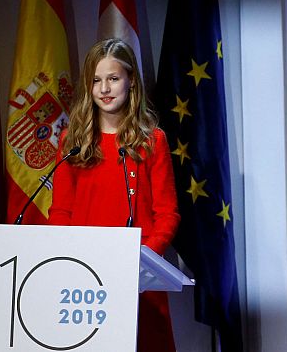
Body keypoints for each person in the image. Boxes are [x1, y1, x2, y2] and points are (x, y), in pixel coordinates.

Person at [49, 38, 180, 352]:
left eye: (113, 78)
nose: (104, 89)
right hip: (84, 277)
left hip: (138, 277)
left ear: (131, 80)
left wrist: (141, 261)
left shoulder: (152, 141)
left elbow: (167, 214)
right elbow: (61, 211)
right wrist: (67, 259)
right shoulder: (72, 142)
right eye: (96, 81)